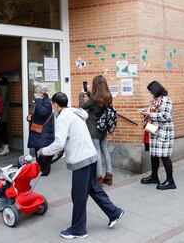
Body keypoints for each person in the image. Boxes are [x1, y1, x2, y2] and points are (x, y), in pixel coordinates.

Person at [38, 92, 124, 239]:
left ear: (56, 105)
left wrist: (43, 151)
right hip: (90, 156)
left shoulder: (63, 117)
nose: (53, 107)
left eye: (53, 105)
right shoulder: (75, 112)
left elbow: (59, 143)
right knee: (93, 188)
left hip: (81, 160)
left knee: (78, 195)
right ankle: (114, 212)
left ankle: (79, 229)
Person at [139, 81, 176, 190]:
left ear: (156, 90)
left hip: (163, 132)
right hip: (153, 130)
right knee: (154, 154)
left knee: (164, 156)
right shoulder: (154, 100)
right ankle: (154, 177)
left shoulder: (166, 100)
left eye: (151, 91)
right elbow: (151, 110)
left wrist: (150, 114)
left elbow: (165, 116)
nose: (150, 93)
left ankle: (170, 181)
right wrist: (145, 111)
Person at [79, 75, 114, 185]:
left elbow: (82, 106)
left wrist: (81, 95)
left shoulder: (94, 99)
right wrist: (90, 94)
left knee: (97, 151)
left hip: (94, 128)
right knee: (105, 150)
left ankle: (99, 177)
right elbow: (97, 104)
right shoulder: (108, 96)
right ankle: (108, 175)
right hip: (103, 127)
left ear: (95, 85)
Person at [27, 84, 54, 176]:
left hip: (43, 131)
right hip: (38, 130)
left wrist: (38, 100)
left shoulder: (46, 101)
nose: (35, 92)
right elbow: (39, 113)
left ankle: (45, 170)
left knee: (43, 151)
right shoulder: (41, 100)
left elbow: (43, 112)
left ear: (41, 92)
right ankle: (40, 168)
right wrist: (30, 117)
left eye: (36, 91)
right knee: (38, 149)